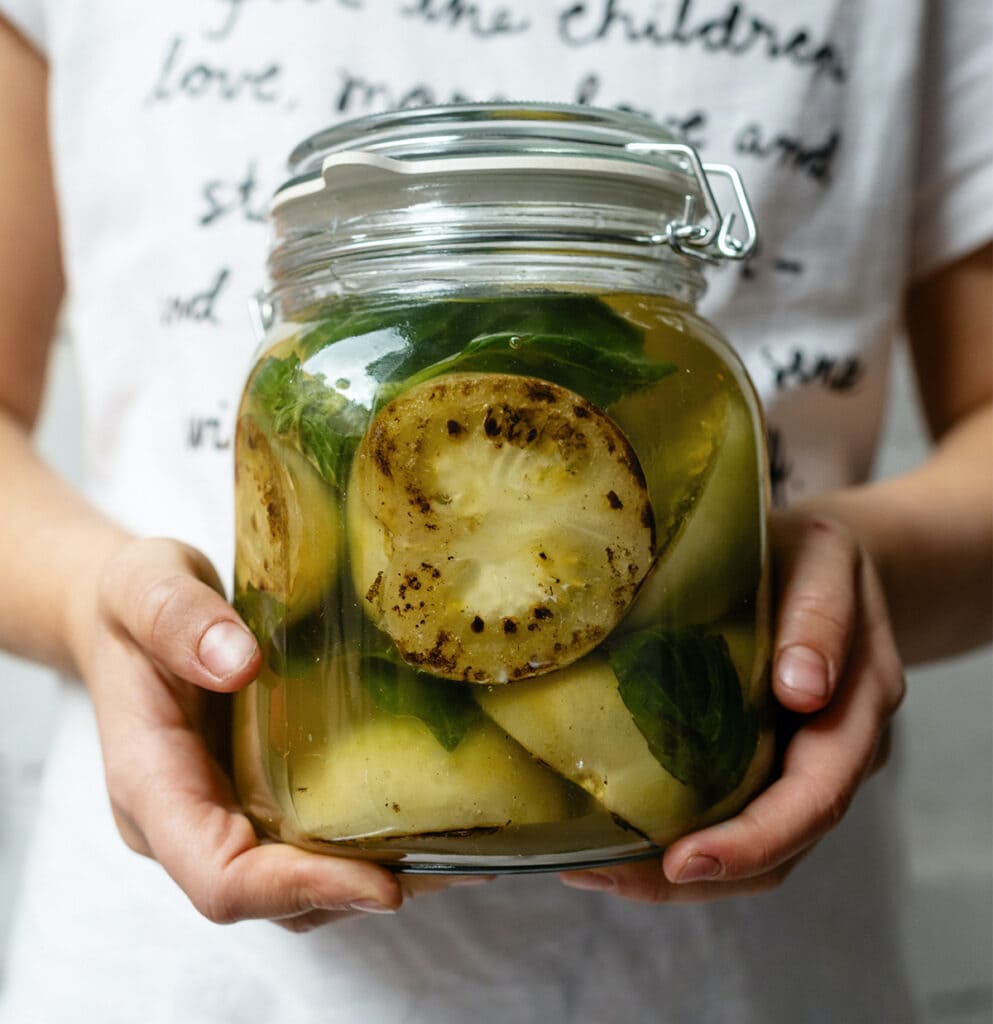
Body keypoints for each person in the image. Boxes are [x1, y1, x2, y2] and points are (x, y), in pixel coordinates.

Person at [0, 1, 989, 1021]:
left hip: (756, 976)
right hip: (175, 974)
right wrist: (90, 600)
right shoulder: (311, 371)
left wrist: (850, 571)